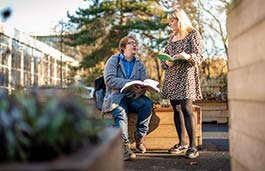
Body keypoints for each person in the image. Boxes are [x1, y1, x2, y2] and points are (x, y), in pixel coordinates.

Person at [160, 9, 203, 159]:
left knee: (187, 108)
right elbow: (163, 60)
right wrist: (166, 62)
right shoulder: (171, 38)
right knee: (176, 109)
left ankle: (193, 146)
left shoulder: (193, 34)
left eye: (172, 21)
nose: (170, 24)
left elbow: (199, 57)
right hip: (172, 77)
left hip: (186, 76)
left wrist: (188, 55)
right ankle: (182, 143)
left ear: (180, 19)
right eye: (169, 21)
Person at [102, 36, 153, 161]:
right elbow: (109, 79)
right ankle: (124, 146)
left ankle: (139, 137)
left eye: (136, 43)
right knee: (120, 113)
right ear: (123, 47)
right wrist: (128, 83)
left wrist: (141, 88)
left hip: (134, 96)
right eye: (131, 43)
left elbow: (142, 81)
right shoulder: (113, 60)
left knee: (147, 104)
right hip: (117, 96)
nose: (135, 45)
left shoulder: (140, 64)